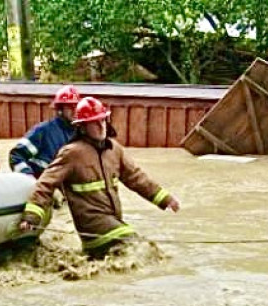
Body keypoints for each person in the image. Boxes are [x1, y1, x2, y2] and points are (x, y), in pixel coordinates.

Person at [20, 97, 181, 257]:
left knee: (145, 254)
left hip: (113, 223)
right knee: (141, 249)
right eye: (94, 122)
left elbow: (137, 178)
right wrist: (32, 216)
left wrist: (165, 199)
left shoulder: (114, 150)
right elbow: (46, 183)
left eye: (103, 120)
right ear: (82, 127)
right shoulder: (72, 153)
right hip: (93, 229)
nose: (101, 126)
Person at [9, 85, 81, 178]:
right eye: (70, 107)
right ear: (60, 109)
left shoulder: (81, 133)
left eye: (76, 106)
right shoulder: (43, 131)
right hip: (44, 188)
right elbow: (16, 156)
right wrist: (27, 177)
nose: (75, 110)